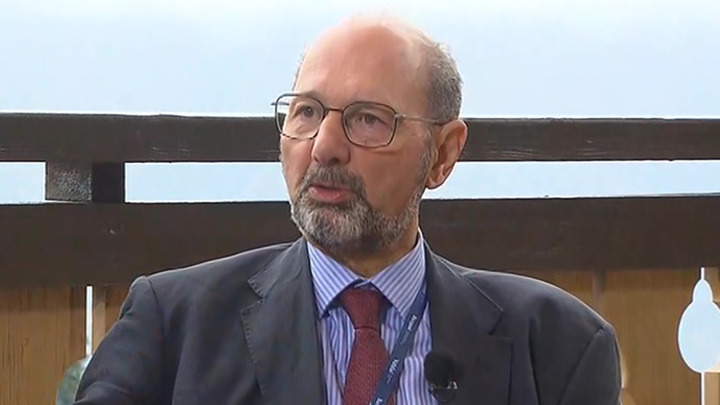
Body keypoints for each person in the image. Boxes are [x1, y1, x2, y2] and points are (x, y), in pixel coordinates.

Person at [74, 14, 621, 405]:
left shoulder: (556, 346)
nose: (324, 147)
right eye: (307, 112)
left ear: (443, 154)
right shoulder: (174, 326)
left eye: (367, 119)